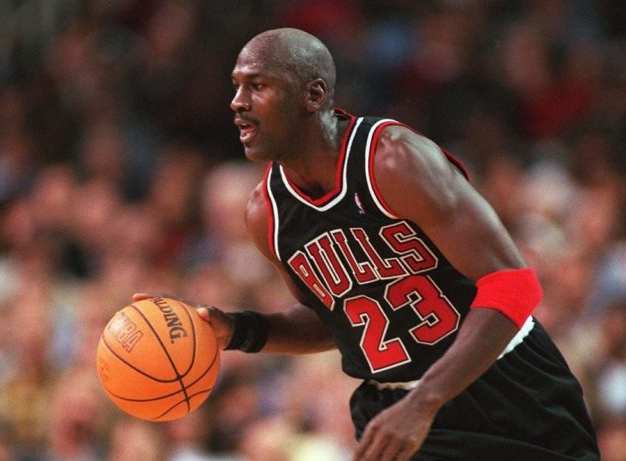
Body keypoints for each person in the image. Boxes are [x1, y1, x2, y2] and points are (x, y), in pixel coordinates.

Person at [135, 27, 599, 461]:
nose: (237, 102)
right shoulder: (266, 214)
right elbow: (334, 322)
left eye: (257, 86)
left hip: (506, 387)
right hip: (394, 407)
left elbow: (513, 285)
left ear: (313, 95)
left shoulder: (392, 161)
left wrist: (425, 400)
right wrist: (236, 331)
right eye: (236, 86)